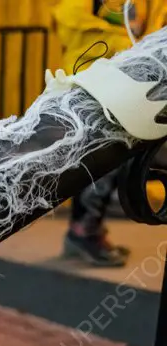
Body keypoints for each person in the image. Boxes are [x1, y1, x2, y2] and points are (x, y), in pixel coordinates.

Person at [54, 0, 167, 266]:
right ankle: (84, 231)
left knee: (117, 155)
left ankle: (86, 230)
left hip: (136, 83)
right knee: (101, 157)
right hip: (96, 80)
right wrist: (129, 43)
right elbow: (68, 20)